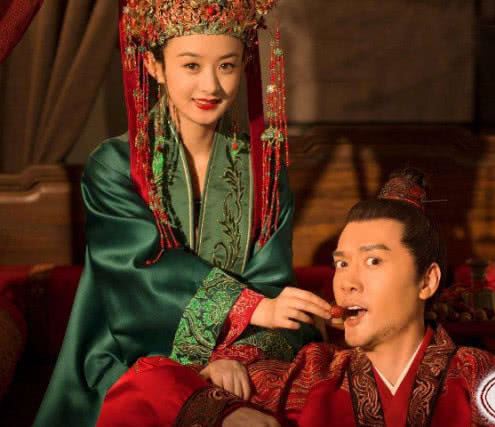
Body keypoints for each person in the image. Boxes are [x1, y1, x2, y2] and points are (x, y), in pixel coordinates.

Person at [34, 1, 331, 426]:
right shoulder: (115, 166)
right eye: (191, 65)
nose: (210, 85)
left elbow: (272, 282)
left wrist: (233, 356)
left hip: (242, 357)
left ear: (245, 63)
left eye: (226, 66)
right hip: (129, 357)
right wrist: (248, 308)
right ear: (154, 66)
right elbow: (135, 276)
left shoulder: (264, 171)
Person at [97, 168, 495, 426]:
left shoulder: (481, 378)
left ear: (427, 281)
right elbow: (146, 383)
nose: (347, 282)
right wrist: (222, 410)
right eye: (341, 263)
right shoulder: (311, 376)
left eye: (373, 261)